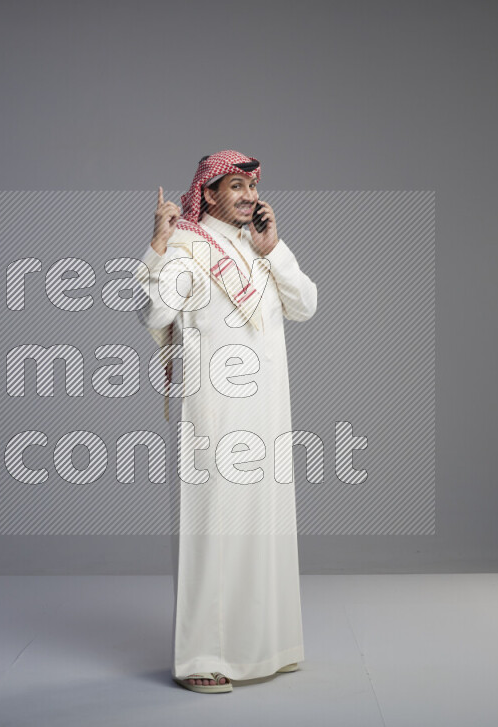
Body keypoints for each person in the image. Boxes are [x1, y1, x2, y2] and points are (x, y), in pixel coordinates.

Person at [133, 150, 317, 693]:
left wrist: (274, 249)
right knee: (212, 528)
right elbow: (152, 314)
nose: (248, 196)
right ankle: (201, 659)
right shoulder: (188, 248)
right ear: (208, 194)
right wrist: (159, 245)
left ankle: (267, 646)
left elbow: (306, 304)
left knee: (266, 524)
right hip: (213, 412)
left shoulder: (259, 249)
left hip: (267, 410)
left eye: (252, 187)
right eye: (235, 187)